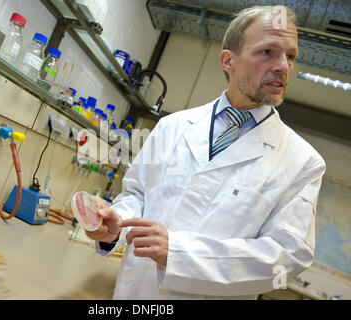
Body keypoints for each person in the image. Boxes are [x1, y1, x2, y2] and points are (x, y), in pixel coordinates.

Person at [85, 5, 326, 300]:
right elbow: (137, 197)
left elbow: (286, 256)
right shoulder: (171, 127)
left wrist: (180, 254)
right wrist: (116, 227)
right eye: (267, 52)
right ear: (228, 61)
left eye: (290, 56)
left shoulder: (303, 162)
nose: (283, 67)